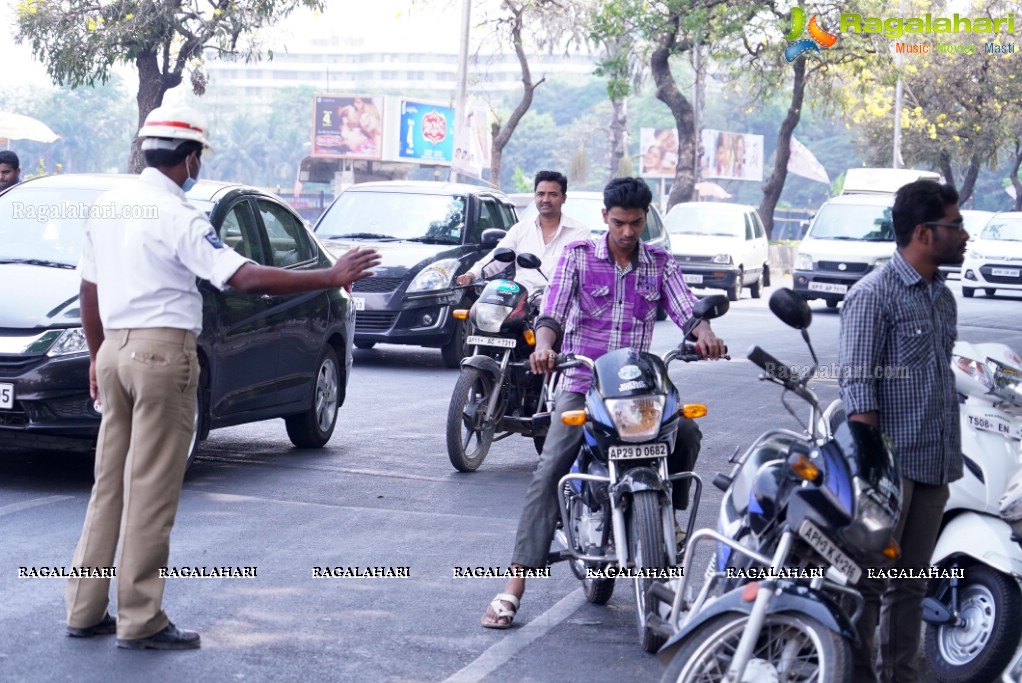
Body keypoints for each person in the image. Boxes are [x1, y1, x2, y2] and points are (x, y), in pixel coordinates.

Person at [64, 104, 381, 650]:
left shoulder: (107, 206)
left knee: (108, 485)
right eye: (196, 160)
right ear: (188, 159)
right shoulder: (180, 214)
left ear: (144, 151)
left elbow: (88, 292)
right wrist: (330, 274)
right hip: (162, 355)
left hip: (114, 350)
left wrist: (97, 357)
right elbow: (243, 277)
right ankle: (141, 619)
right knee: (152, 490)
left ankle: (85, 609)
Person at [479, 177, 726, 629]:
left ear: (646, 217)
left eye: (635, 223)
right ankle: (513, 584)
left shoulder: (660, 263)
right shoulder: (578, 257)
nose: (628, 232)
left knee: (687, 432)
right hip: (583, 380)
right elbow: (552, 313)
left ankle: (667, 519)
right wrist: (544, 346)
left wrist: (705, 335)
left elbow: (688, 311)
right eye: (619, 223)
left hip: (641, 388)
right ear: (604, 218)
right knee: (553, 464)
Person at [838, 179, 966, 683]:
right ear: (923, 232)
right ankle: (851, 674)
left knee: (911, 584)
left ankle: (899, 675)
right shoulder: (873, 295)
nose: (964, 234)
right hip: (889, 469)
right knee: (869, 581)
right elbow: (858, 388)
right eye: (954, 225)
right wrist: (876, 475)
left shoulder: (942, 297)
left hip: (935, 463)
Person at [455, 171, 590, 295]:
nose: (546, 200)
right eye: (541, 194)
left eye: (553, 194)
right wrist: (471, 275)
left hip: (560, 303)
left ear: (564, 198)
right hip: (521, 304)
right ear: (535, 196)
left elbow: (583, 274)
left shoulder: (579, 233)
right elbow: (494, 261)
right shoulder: (520, 229)